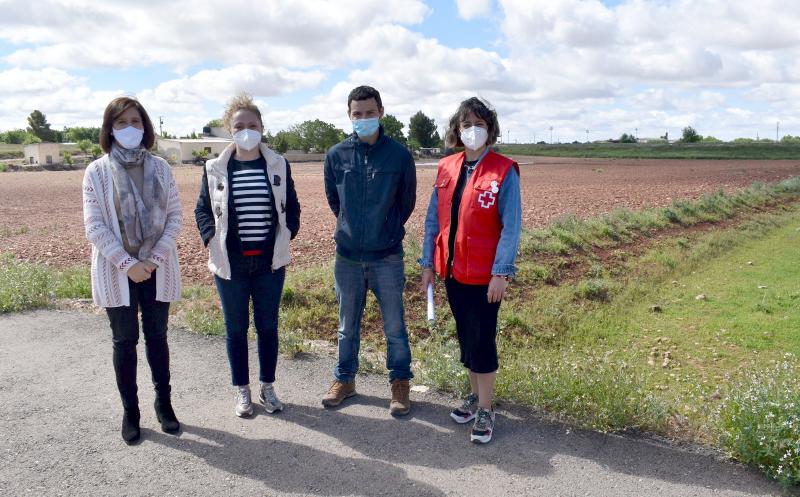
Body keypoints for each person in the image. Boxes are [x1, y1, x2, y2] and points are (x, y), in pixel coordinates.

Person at [419, 97, 522, 444]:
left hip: (485, 276)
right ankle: (475, 397)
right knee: (466, 337)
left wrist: (501, 272)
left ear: (490, 129)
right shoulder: (447, 167)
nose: (472, 130)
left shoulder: (504, 170)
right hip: (452, 270)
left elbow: (511, 227)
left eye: (478, 123)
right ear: (456, 130)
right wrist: (428, 264)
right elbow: (434, 219)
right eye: (466, 125)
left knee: (483, 340)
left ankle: (486, 408)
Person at [82, 96, 183, 444]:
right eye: (121, 122)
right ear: (110, 129)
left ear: (146, 127)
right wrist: (127, 264)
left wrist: (152, 261)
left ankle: (164, 404)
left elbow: (175, 218)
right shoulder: (96, 171)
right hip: (117, 272)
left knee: (158, 338)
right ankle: (131, 411)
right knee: (124, 342)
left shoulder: (162, 168)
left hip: (158, 266)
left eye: (136, 121)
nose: (129, 128)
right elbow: (95, 227)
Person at [195, 93, 300, 418]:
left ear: (262, 128)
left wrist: (288, 232)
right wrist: (212, 238)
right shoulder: (214, 169)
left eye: (252, 125)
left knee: (268, 327)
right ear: (230, 129)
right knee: (236, 329)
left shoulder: (278, 164)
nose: (246, 130)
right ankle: (242, 391)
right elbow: (202, 210)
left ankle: (268, 387)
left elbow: (292, 207)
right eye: (239, 125)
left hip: (269, 263)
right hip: (232, 264)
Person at [322, 85, 416, 415]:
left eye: (370, 113)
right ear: (349, 116)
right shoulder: (336, 155)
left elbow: (406, 202)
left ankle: (400, 384)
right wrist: (352, 227)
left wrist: (384, 230)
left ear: (381, 113)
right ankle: (345, 380)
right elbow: (336, 201)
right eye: (357, 114)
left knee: (394, 326)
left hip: (387, 256)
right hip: (347, 256)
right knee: (347, 326)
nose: (364, 119)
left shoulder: (399, 155)